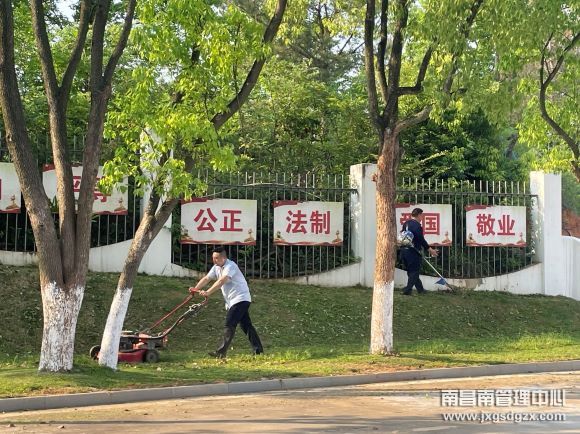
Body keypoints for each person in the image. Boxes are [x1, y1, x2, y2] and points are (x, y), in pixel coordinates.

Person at [191, 246, 263, 358]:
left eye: (216, 258)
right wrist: (195, 289)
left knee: (229, 323)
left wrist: (208, 292)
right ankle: (258, 351)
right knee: (246, 326)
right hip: (232, 301)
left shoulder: (230, 266)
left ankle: (221, 352)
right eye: (213, 258)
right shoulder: (216, 267)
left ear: (224, 258)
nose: (214, 260)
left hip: (240, 298)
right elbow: (207, 278)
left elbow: (222, 281)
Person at [400, 208, 439, 295]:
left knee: (411, 271)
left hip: (404, 250)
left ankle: (420, 289)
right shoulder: (417, 226)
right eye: (422, 215)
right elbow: (421, 240)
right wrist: (430, 250)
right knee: (414, 271)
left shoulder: (406, 223)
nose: (422, 218)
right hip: (413, 251)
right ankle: (407, 290)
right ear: (419, 215)